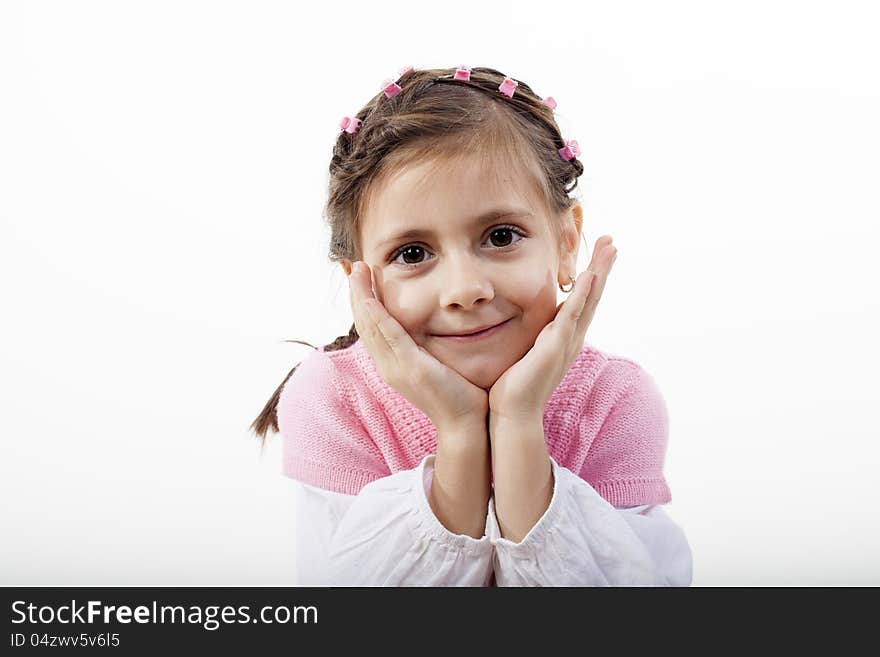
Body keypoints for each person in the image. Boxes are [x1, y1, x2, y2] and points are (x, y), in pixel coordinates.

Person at [251, 65, 693, 586]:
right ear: (361, 282)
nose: (465, 289)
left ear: (567, 242)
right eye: (412, 253)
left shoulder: (616, 400)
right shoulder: (334, 397)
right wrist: (460, 433)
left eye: (501, 236)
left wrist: (519, 423)